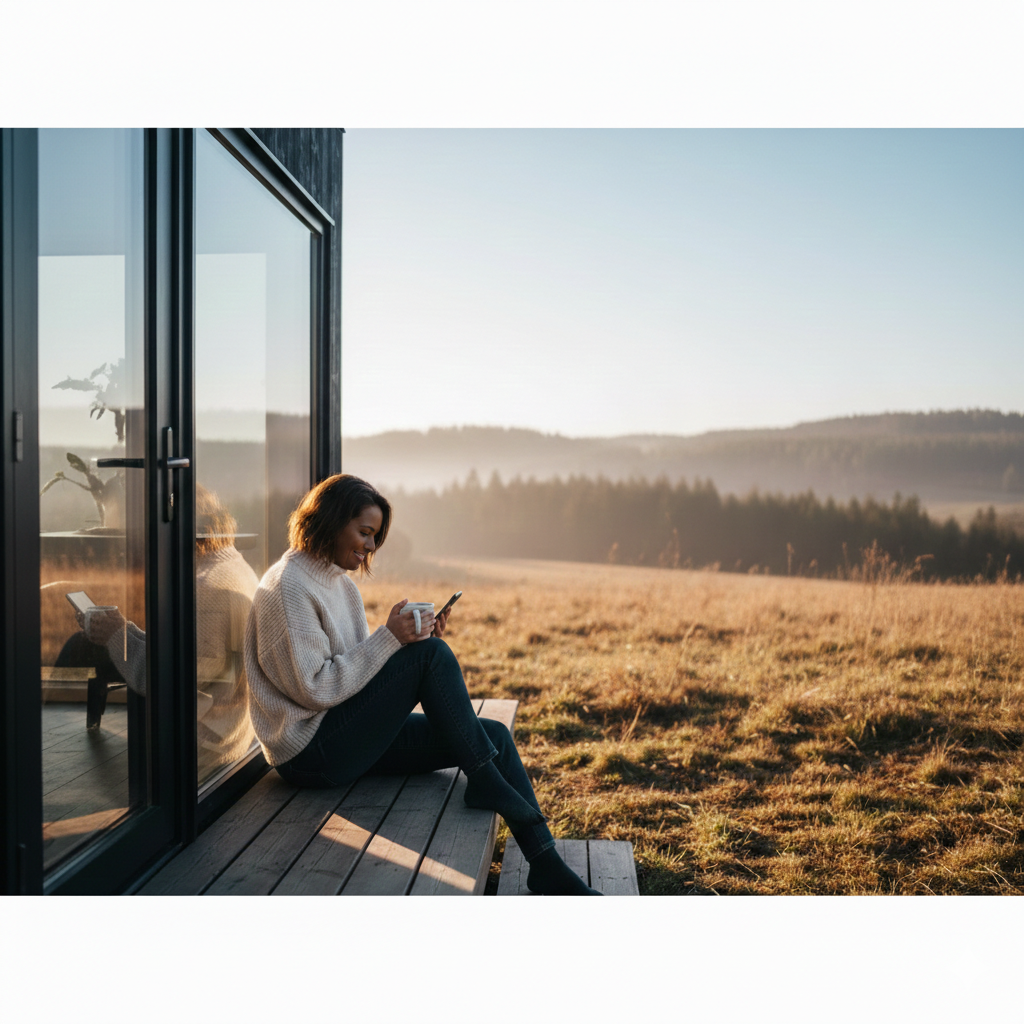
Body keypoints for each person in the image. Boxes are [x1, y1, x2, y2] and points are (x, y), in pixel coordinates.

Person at [243, 473, 602, 895]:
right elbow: (316, 689)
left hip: (343, 734)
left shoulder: (339, 584)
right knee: (433, 664)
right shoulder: (288, 586)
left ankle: (545, 862)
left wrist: (409, 644)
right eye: (364, 532)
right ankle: (485, 780)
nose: (371, 547)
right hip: (310, 753)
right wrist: (394, 641)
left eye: (375, 537)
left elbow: (361, 675)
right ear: (331, 520)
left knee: (494, 737)